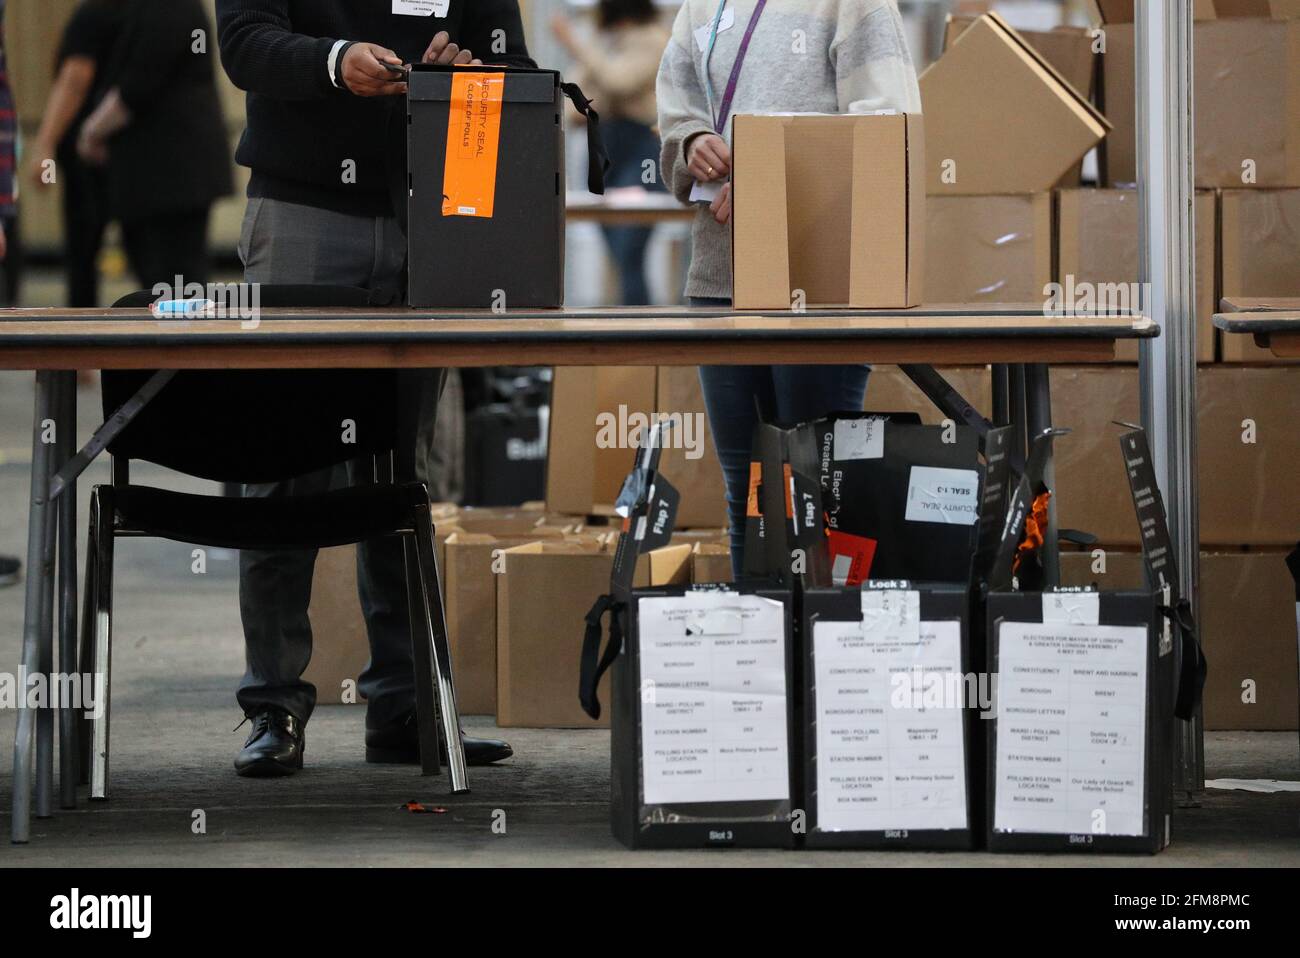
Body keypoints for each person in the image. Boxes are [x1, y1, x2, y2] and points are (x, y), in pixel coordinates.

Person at [215, 0, 531, 777]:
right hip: (302, 211)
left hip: (433, 215)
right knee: (282, 469)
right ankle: (273, 705)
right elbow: (245, 44)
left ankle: (402, 704)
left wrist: (471, 82)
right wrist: (334, 60)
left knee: (400, 472)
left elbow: (517, 71)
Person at [656, 0, 921, 573]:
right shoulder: (701, 8)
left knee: (820, 486)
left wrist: (772, 172)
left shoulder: (854, 5)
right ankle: (761, 650)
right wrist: (692, 143)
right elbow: (675, 118)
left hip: (821, 280)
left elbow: (886, 130)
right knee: (748, 490)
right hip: (720, 277)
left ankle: (828, 654)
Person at [75, 0, 231, 290]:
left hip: (174, 174)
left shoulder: (169, 8)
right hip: (158, 175)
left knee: (174, 279)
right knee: (160, 277)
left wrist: (91, 132)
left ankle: (182, 336)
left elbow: (137, 85)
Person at [552, 0, 669, 306]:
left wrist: (575, 44)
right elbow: (578, 99)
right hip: (606, 147)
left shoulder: (653, 39)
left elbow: (619, 82)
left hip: (640, 146)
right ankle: (632, 318)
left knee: (629, 245)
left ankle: (638, 318)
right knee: (615, 245)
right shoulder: (606, 42)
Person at [26, 0, 127, 307]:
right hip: (129, 148)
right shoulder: (136, 12)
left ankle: (82, 335)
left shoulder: (94, 12)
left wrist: (44, 144)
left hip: (89, 150)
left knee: (82, 254)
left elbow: (75, 79)